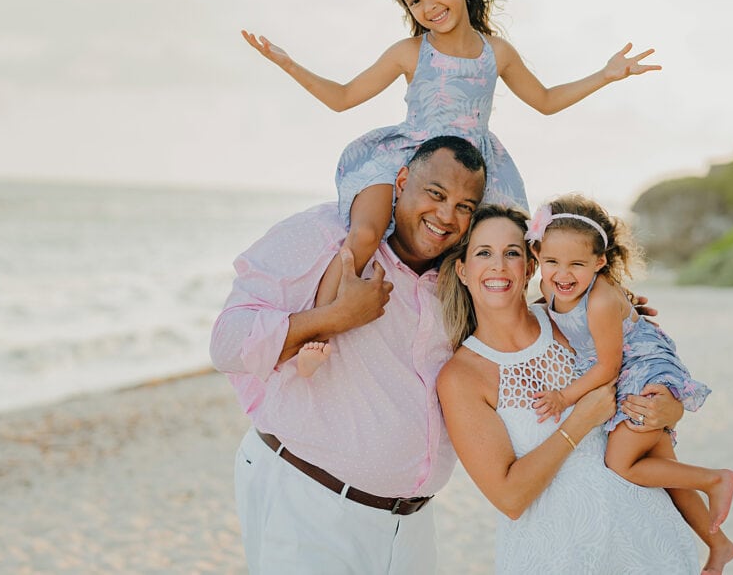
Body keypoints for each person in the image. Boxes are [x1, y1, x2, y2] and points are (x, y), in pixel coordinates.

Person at [210, 136, 671, 573]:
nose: (446, 215)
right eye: (435, 193)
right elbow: (227, 343)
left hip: (410, 523)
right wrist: (336, 316)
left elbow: (514, 324)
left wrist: (601, 312)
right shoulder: (329, 235)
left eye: (464, 207)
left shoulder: (455, 280)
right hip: (308, 497)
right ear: (402, 180)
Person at [241, 0, 661, 376]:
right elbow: (343, 97)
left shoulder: (495, 52)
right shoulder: (410, 52)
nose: (427, 6)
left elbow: (546, 100)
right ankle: (317, 333)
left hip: (474, 167)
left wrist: (606, 75)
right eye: (414, 2)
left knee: (512, 255)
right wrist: (289, 64)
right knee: (364, 235)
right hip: (413, 158)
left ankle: (589, 314)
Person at [436, 205, 700, 573]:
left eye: (512, 252)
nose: (498, 266)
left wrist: (671, 409)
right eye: (483, 253)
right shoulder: (461, 377)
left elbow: (651, 374)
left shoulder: (577, 321)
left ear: (531, 265)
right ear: (463, 270)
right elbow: (510, 497)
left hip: (648, 540)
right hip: (559, 557)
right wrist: (579, 422)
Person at [525, 194, 733, 573]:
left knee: (621, 462)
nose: (563, 273)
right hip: (627, 373)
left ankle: (713, 478)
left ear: (600, 261)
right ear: (538, 254)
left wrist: (564, 396)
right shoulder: (552, 291)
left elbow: (607, 367)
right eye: (552, 261)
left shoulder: (602, 299)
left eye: (577, 263)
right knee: (663, 469)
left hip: (642, 371)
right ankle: (718, 544)